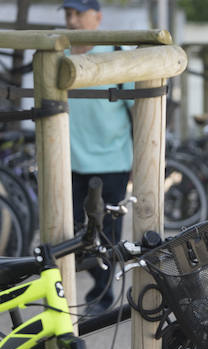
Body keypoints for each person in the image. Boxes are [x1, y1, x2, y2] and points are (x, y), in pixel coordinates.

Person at [63, 0, 133, 314]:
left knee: (106, 235)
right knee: (76, 233)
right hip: (70, 163)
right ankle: (95, 290)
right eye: (68, 13)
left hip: (113, 162)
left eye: (78, 13)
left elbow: (140, 111)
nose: (72, 19)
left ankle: (103, 296)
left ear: (98, 17)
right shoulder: (60, 57)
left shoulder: (117, 56)